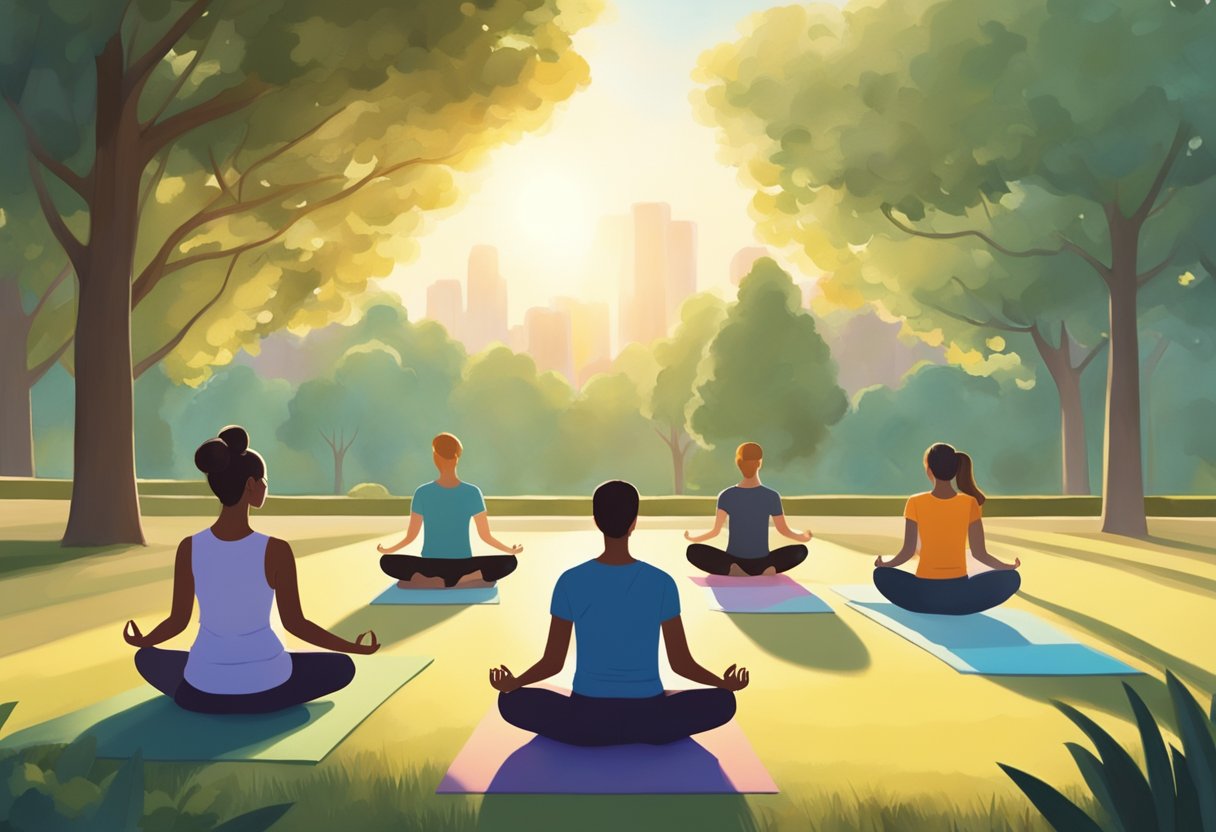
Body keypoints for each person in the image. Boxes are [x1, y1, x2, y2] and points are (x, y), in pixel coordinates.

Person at [123, 426, 380, 715]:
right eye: (264, 480)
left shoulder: (189, 547)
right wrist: (350, 647)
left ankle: (211, 685)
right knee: (340, 666)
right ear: (250, 485)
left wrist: (144, 641)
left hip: (202, 691)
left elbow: (178, 621)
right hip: (267, 688)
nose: (266, 486)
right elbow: (296, 623)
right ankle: (251, 689)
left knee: (147, 658)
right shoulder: (276, 550)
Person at [489, 480, 749, 747]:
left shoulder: (570, 581)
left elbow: (553, 661)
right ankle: (643, 730)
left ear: (596, 521)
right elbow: (680, 663)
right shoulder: (661, 582)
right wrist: (722, 683)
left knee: (510, 701)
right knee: (724, 702)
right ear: (634, 522)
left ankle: (600, 732)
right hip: (649, 716)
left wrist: (515, 682)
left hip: (586, 719)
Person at [873, 443, 1021, 615]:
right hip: (959, 594)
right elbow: (979, 553)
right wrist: (1006, 567)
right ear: (956, 469)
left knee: (881, 575)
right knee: (1012, 578)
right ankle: (955, 606)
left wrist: (885, 564)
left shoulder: (915, 502)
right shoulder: (969, 503)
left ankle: (933, 605)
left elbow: (908, 551)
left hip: (923, 595)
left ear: (929, 470)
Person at [377, 433, 522, 589]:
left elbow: (411, 536)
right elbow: (485, 536)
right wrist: (509, 550)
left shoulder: (422, 492)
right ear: (457, 458)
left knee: (387, 561)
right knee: (509, 562)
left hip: (429, 566)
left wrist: (388, 550)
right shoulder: (473, 492)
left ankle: (428, 580)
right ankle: (464, 580)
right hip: (463, 566)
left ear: (435, 458)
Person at [684, 442, 812, 577]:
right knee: (800, 551)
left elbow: (715, 531)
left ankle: (733, 569)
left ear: (738, 463)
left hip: (734, 560)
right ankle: (768, 568)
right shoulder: (772, 496)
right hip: (762, 561)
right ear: (759, 463)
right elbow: (783, 530)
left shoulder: (726, 495)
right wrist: (803, 537)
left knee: (693, 551)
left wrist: (694, 538)